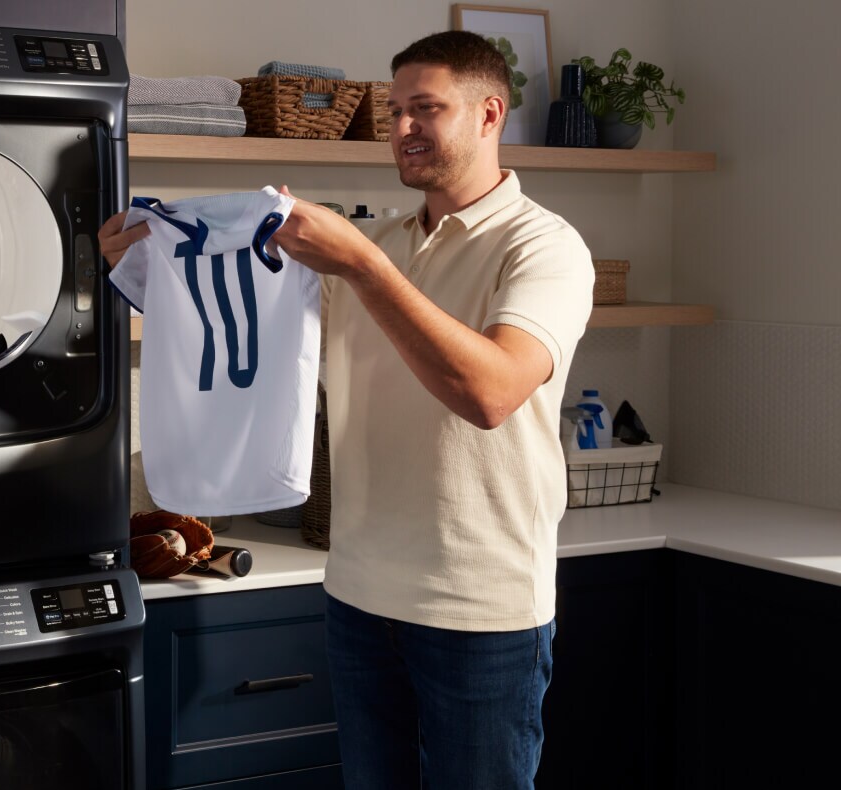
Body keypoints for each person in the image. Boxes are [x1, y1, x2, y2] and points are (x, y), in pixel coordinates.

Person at [100, 30, 594, 790]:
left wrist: (364, 266)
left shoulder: (544, 248)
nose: (400, 130)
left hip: (480, 610)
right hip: (358, 598)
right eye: (394, 111)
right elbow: (247, 325)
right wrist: (144, 261)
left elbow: (490, 393)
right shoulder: (378, 243)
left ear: (489, 114)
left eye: (424, 109)